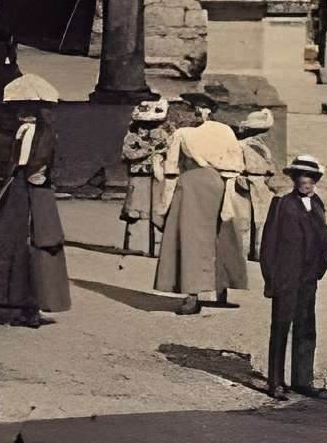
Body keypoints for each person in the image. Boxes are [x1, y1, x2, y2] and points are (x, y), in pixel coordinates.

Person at [0, 78, 71, 327]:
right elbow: (30, 166)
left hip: (17, 189)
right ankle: (17, 305)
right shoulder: (37, 131)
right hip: (25, 191)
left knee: (13, 243)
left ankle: (13, 303)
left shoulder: (28, 130)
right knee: (23, 245)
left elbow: (17, 163)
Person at [153, 90, 248, 315]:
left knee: (191, 238)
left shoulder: (182, 134)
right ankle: (221, 289)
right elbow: (236, 162)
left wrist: (163, 201)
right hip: (219, 184)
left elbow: (172, 168)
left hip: (192, 185)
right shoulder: (225, 131)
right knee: (221, 235)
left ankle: (191, 296)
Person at [259, 155, 327, 401]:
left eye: (311, 179)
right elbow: (268, 244)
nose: (306, 183)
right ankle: (275, 382)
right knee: (280, 327)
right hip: (286, 276)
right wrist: (271, 277)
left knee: (306, 327)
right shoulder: (282, 204)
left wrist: (321, 266)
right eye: (301, 178)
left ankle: (302, 380)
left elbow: (322, 238)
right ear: (294, 179)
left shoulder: (318, 203)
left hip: (309, 277)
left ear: (316, 181)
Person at [119, 96, 171, 258]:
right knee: (137, 212)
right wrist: (148, 150)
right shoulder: (132, 136)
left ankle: (157, 248)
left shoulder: (166, 134)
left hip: (158, 175)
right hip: (139, 175)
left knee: (158, 210)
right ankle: (136, 247)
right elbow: (128, 153)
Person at [238, 109, 278, 262]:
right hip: (257, 182)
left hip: (252, 182)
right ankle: (256, 251)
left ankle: (250, 251)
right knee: (258, 219)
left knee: (250, 218)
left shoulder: (244, 144)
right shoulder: (259, 146)